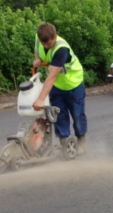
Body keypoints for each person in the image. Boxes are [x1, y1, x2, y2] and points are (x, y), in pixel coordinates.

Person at [32, 22, 87, 155]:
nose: (46, 46)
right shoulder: (39, 38)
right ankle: (64, 144)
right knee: (59, 114)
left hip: (73, 83)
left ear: (55, 37)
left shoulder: (61, 49)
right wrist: (37, 58)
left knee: (77, 114)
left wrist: (40, 99)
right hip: (57, 84)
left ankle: (81, 141)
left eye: (49, 44)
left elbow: (51, 77)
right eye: (44, 43)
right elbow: (36, 47)